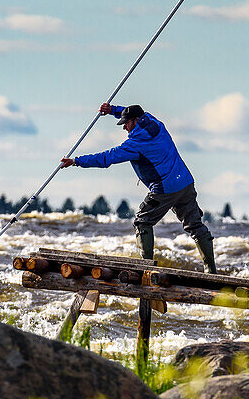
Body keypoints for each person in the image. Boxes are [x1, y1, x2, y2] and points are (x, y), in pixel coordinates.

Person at [60, 103, 216, 273]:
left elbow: (106, 158)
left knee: (142, 222)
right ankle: (211, 270)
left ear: (135, 120)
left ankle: (146, 269)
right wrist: (112, 110)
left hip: (165, 189)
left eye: (126, 123)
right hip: (186, 182)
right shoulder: (154, 122)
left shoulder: (135, 144)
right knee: (195, 225)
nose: (124, 128)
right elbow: (130, 111)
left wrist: (76, 161)